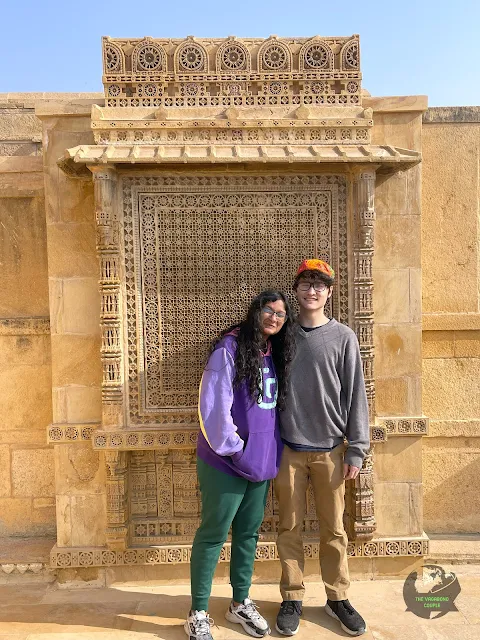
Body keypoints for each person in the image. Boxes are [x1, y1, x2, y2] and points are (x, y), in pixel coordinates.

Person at [185, 290, 296, 640]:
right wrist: (235, 449)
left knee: (248, 534)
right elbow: (214, 407)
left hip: (260, 462)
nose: (274, 318)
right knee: (214, 534)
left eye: (280, 314)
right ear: (255, 311)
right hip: (226, 461)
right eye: (268, 310)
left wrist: (263, 452)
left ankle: (239, 603)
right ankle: (198, 612)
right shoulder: (229, 349)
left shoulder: (271, 352)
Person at [274, 259, 370, 637]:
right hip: (288, 451)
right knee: (289, 527)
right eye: (306, 283)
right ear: (296, 290)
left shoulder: (344, 337)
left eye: (320, 284)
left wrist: (357, 449)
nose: (312, 290)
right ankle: (292, 596)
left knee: (334, 529)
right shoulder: (283, 336)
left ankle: (337, 597)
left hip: (332, 450)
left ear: (329, 292)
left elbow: (356, 396)